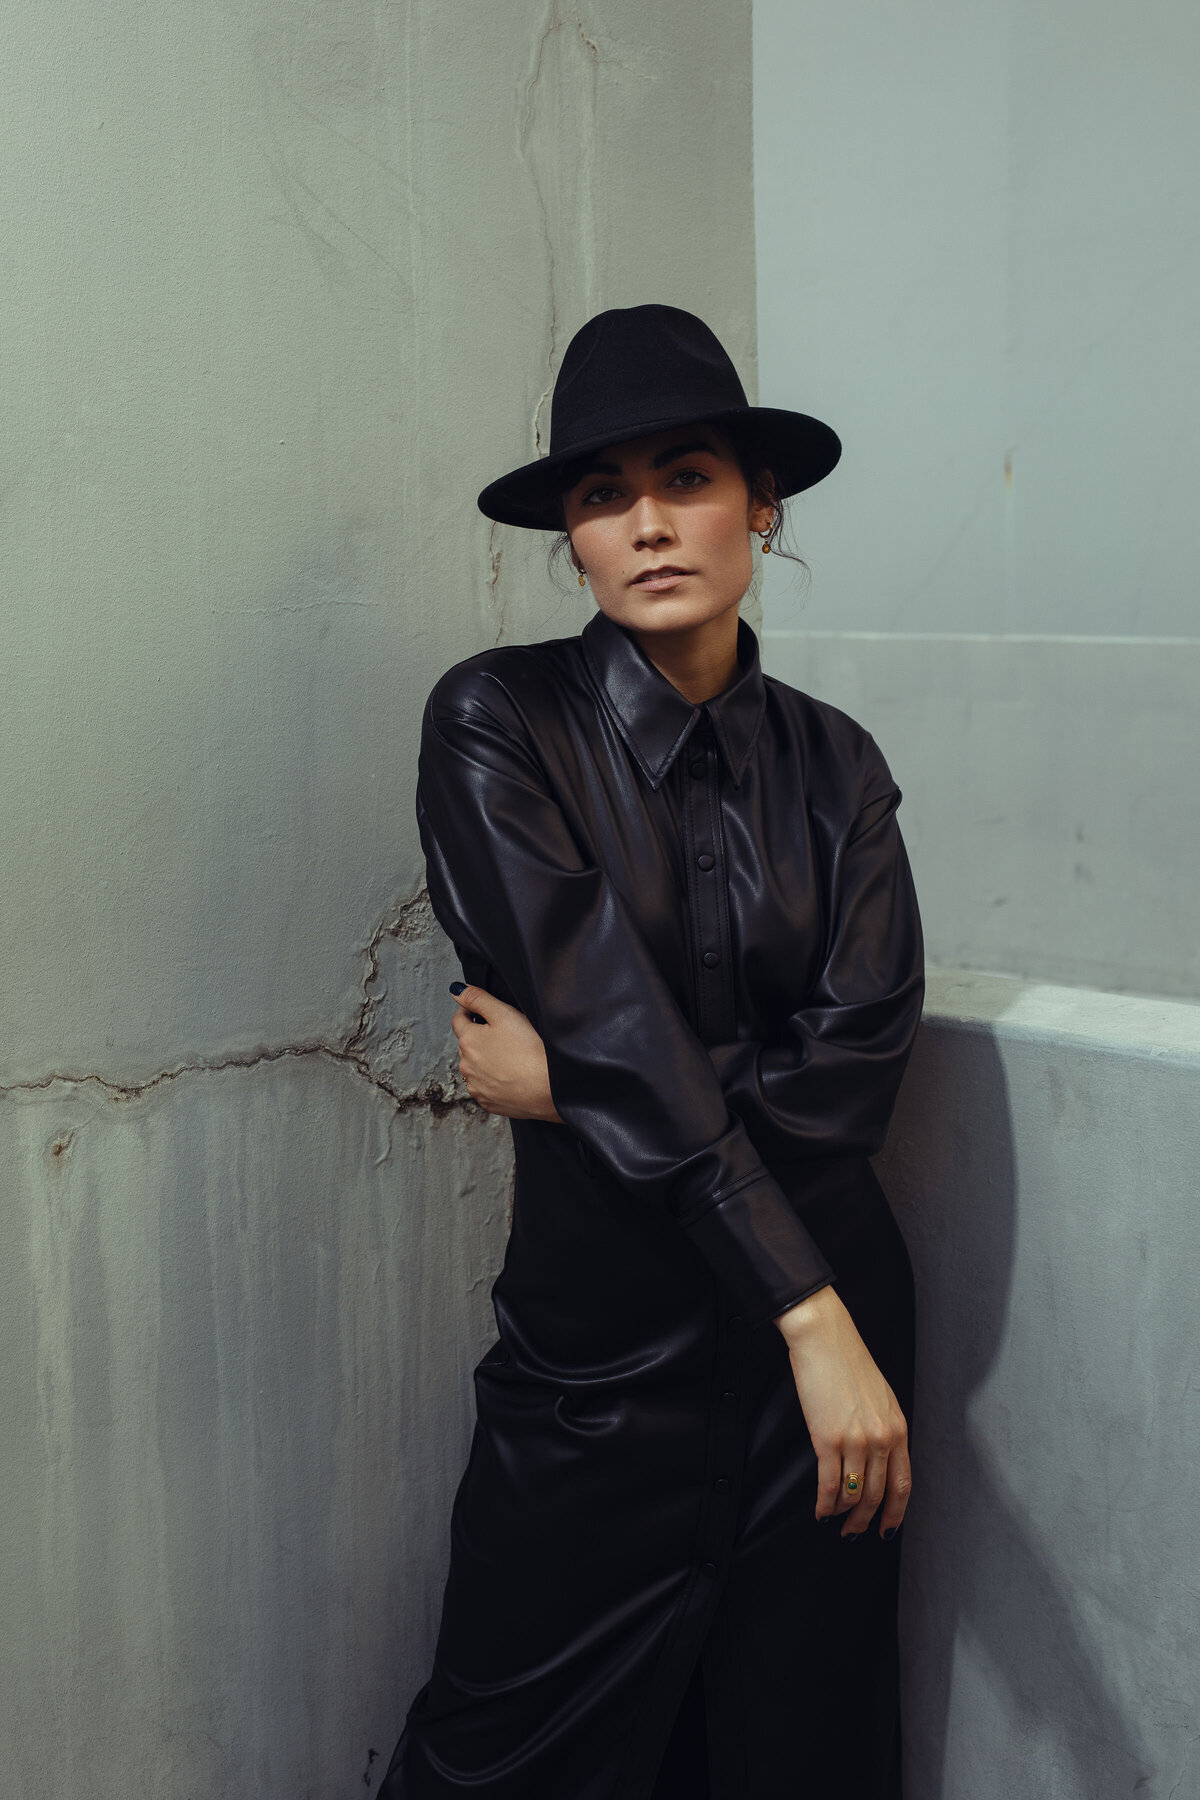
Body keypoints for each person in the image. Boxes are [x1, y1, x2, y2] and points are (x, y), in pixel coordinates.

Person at [377, 304, 925, 1800]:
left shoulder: (839, 765)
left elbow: (853, 1071)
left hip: (822, 1376)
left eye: (685, 477)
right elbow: (607, 1002)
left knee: (794, 1752)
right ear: (573, 537)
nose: (646, 523)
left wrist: (573, 1084)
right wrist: (812, 1315)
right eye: (603, 496)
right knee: (503, 1751)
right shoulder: (497, 720)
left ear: (762, 505)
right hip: (604, 1362)